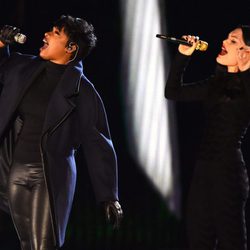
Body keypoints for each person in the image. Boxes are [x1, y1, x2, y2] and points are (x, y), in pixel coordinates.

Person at [0, 15, 123, 250]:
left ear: (71, 48)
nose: (46, 34)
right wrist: (1, 43)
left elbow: (98, 140)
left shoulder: (82, 90)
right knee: (28, 243)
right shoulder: (24, 68)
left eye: (55, 33)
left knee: (43, 245)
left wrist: (109, 195)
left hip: (48, 174)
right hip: (15, 172)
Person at [165, 25, 250, 250]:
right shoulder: (216, 84)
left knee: (232, 242)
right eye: (227, 37)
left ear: (246, 51)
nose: (224, 41)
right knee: (198, 240)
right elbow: (173, 92)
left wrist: (247, 69)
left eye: (233, 41)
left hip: (228, 174)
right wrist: (183, 56)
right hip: (203, 171)